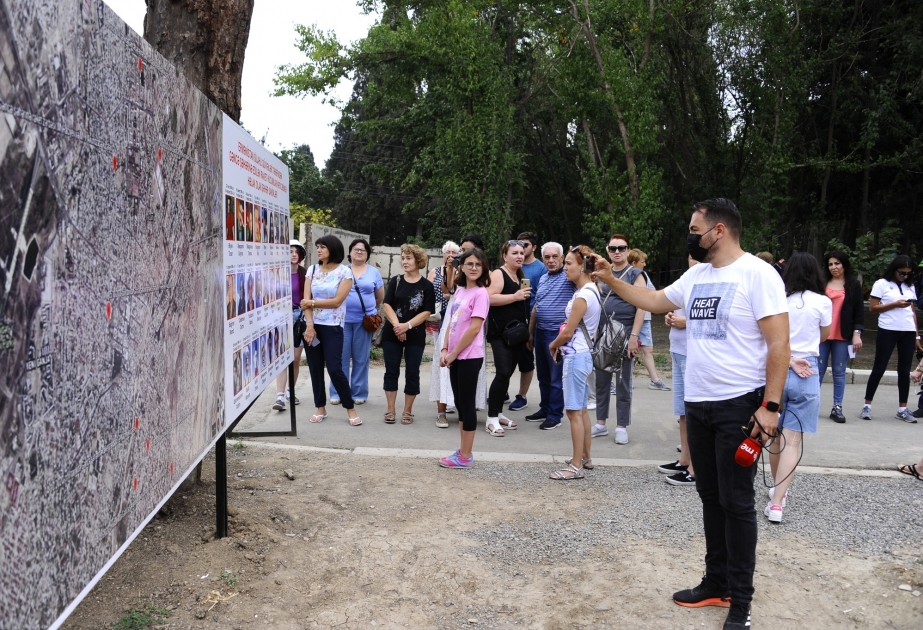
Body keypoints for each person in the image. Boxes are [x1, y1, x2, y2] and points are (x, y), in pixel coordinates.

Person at [593, 198, 788, 630]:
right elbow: (655, 299)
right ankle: (716, 582)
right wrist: (609, 280)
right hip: (697, 405)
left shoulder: (759, 274)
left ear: (718, 231)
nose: (690, 236)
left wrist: (770, 406)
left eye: (694, 229)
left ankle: (741, 601)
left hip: (739, 405)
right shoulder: (697, 274)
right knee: (710, 497)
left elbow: (778, 344)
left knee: (737, 504)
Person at [765, 252, 831, 523]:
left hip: (779, 368)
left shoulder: (779, 301)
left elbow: (767, 337)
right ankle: (779, 501)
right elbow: (824, 335)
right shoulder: (823, 302)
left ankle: (775, 488)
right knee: (792, 441)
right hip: (808, 370)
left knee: (774, 438)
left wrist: (789, 359)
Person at [548, 246, 601, 479]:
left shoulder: (583, 295)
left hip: (576, 355)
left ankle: (576, 465)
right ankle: (585, 458)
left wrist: (553, 344)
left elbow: (568, 332)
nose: (565, 267)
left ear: (582, 266)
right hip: (584, 354)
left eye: (568, 263)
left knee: (573, 412)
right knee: (581, 410)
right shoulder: (593, 290)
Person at [301, 235, 362, 426]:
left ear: (333, 249)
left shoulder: (345, 272)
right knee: (315, 368)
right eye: (318, 247)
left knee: (335, 369)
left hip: (334, 327)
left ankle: (350, 408)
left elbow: (336, 302)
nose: (319, 250)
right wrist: (309, 325)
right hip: (311, 325)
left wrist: (311, 302)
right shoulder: (311, 270)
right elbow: (305, 302)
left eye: (323, 247)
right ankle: (320, 407)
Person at [591, 234, 647, 444]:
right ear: (607, 250)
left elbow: (642, 305)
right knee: (601, 379)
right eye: (613, 248)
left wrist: (635, 336)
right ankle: (601, 423)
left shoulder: (635, 274)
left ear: (627, 250)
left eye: (621, 248)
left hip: (625, 332)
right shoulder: (603, 273)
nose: (617, 252)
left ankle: (622, 425)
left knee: (623, 381)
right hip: (604, 331)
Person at [438, 248, 491, 468]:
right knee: (459, 403)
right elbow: (452, 323)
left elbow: (474, 329)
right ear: (462, 266)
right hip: (454, 355)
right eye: (469, 263)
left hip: (469, 356)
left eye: (478, 264)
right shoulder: (460, 291)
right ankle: (462, 451)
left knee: (467, 405)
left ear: (484, 268)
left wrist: (453, 353)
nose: (473, 268)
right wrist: (444, 349)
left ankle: (466, 456)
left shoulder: (481, 294)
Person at [860, 254, 922, 422]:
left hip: (908, 331)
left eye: (908, 273)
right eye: (902, 273)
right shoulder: (882, 284)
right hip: (888, 329)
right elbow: (873, 308)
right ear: (894, 269)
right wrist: (895, 304)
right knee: (879, 368)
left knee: (904, 370)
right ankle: (867, 406)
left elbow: (912, 311)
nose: (905, 276)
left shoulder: (910, 286)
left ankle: (902, 408)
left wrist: (916, 335)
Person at [381, 244, 436, 425]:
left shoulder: (427, 286)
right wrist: (398, 325)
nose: (405, 261)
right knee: (391, 371)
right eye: (403, 258)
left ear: (418, 261)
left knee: (412, 372)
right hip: (392, 333)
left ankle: (407, 411)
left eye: (409, 258)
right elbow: (386, 305)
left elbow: (427, 311)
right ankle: (390, 409)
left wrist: (408, 326)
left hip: (415, 335)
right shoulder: (396, 281)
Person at [658, 256, 699, 486]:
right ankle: (685, 460)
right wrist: (671, 317)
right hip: (678, 349)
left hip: (693, 352)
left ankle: (695, 468)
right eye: (691, 256)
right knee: (682, 412)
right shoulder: (686, 279)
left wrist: (687, 322)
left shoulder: (708, 280)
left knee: (693, 412)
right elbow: (671, 305)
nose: (693, 260)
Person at [525, 242, 575, 430]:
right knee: (543, 375)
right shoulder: (544, 278)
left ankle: (555, 414)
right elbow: (537, 307)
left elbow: (584, 271)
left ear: (562, 258)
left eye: (555, 257)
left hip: (558, 333)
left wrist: (575, 255)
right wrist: (530, 333)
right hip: (541, 332)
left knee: (556, 378)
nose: (551, 260)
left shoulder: (569, 276)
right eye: (547, 257)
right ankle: (545, 408)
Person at [485, 240, 532, 435]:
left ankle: (499, 413)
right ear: (505, 256)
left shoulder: (519, 275)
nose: (520, 256)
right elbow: (488, 298)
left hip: (516, 335)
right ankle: (491, 418)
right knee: (503, 373)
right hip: (500, 334)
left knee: (508, 374)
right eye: (515, 253)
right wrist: (515, 297)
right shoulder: (499, 273)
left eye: (522, 252)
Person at [330, 238, 384, 406]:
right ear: (350, 252)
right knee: (340, 358)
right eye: (356, 249)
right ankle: (338, 392)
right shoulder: (341, 270)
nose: (359, 252)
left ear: (367, 254)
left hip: (364, 322)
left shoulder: (373, 272)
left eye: (363, 250)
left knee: (361, 359)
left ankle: (359, 392)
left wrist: (369, 310)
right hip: (342, 320)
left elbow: (380, 296)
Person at [817, 251, 864, 423]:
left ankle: (837, 407)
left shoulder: (853, 285)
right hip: (822, 335)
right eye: (830, 264)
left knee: (839, 372)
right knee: (818, 371)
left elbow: (859, 312)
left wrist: (857, 334)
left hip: (843, 335)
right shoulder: (821, 283)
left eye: (837, 263)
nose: (834, 267)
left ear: (844, 265)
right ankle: (812, 404)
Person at [507, 231, 546, 411]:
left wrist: (532, 327)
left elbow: (542, 296)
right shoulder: (511, 266)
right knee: (506, 359)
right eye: (518, 247)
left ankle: (522, 396)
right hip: (510, 320)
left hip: (530, 320)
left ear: (534, 248)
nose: (521, 250)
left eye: (525, 246)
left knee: (526, 360)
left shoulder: (541, 268)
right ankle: (502, 391)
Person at [427, 241, 461, 426]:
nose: (450, 254)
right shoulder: (436, 270)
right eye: (447, 252)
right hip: (439, 315)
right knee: (441, 353)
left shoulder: (461, 269)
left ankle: (453, 399)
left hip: (456, 314)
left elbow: (452, 289)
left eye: (454, 252)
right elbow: (430, 289)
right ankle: (443, 403)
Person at [628, 248, 670, 391]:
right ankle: (625, 380)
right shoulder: (626, 276)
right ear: (634, 263)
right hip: (632, 319)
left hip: (645, 318)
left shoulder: (643, 275)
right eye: (642, 262)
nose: (644, 264)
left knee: (648, 349)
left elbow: (651, 294)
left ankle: (655, 380)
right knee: (628, 350)